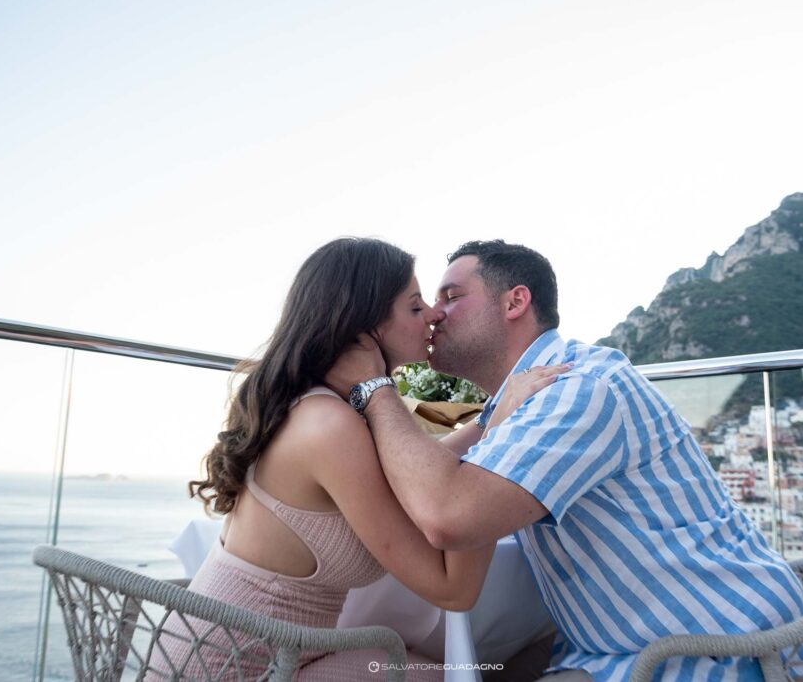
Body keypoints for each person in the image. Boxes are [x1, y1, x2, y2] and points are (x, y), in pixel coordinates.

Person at [326, 240, 803, 682]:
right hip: (627, 646)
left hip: (718, 653)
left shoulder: (576, 389)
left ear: (515, 302)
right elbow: (430, 473)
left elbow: (450, 516)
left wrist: (373, 387)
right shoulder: (532, 397)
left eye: (451, 297)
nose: (434, 314)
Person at [152, 237, 563, 681]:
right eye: (413, 306)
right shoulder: (329, 427)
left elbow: (402, 479)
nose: (431, 315)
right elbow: (454, 589)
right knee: (460, 673)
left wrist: (486, 422)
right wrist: (503, 436)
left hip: (268, 654)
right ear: (363, 329)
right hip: (233, 671)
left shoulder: (319, 406)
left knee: (456, 667)